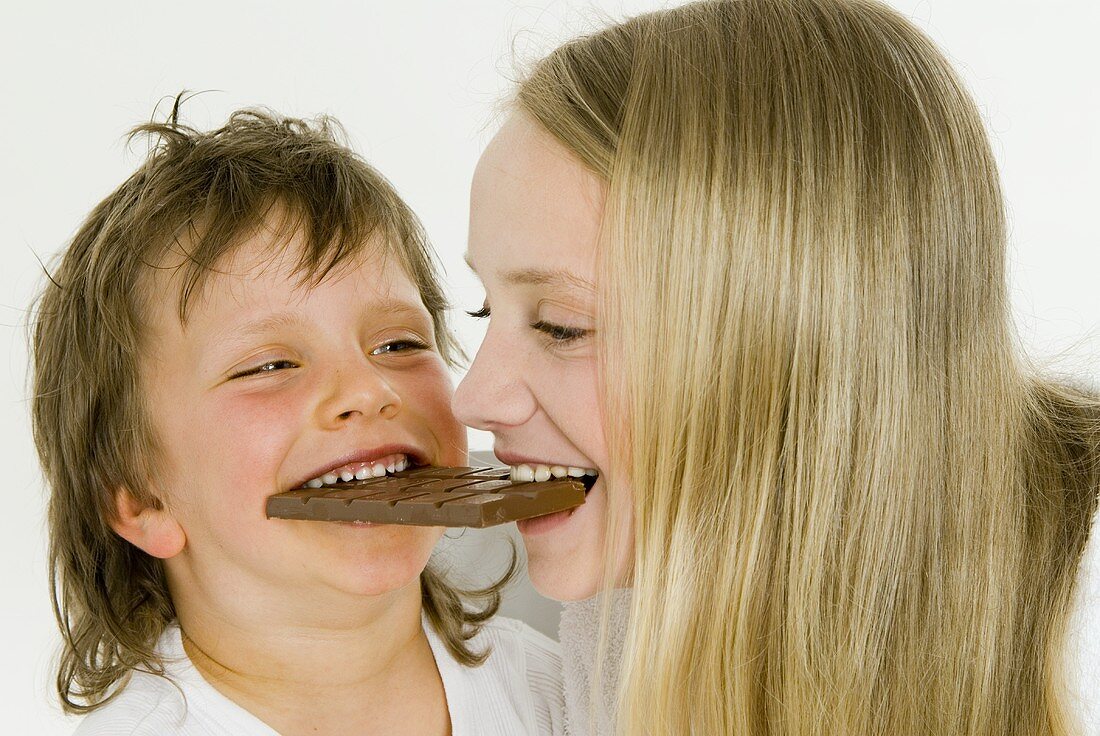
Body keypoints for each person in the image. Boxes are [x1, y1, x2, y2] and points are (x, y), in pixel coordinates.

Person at [452, 0, 1100, 734]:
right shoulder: (600, 597)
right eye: (483, 310)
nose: (473, 396)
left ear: (790, 339)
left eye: (563, 326)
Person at [32, 102, 563, 736]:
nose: (367, 390)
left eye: (399, 345)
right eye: (271, 365)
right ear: (142, 498)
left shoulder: (570, 695)